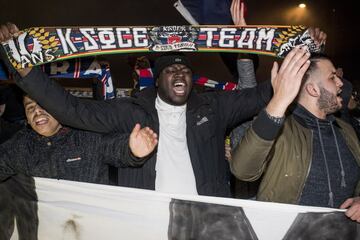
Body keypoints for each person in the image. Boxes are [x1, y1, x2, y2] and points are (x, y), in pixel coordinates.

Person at [0, 23, 324, 197]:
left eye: (184, 70)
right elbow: (72, 111)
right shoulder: (130, 111)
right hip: (146, 218)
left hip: (202, 217)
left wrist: (303, 52)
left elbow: (261, 95)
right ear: (158, 81)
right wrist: (26, 71)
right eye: (170, 71)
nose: (179, 75)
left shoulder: (214, 106)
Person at [230, 54, 360, 222]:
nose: (341, 83)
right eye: (332, 77)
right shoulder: (280, 129)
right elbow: (243, 170)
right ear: (313, 89)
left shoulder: (346, 131)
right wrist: (278, 101)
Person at [0, 94, 158, 183]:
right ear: (27, 119)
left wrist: (132, 150)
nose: (37, 112)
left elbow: (114, 148)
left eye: (43, 105)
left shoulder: (85, 135)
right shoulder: (21, 146)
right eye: (30, 108)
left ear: (59, 107)